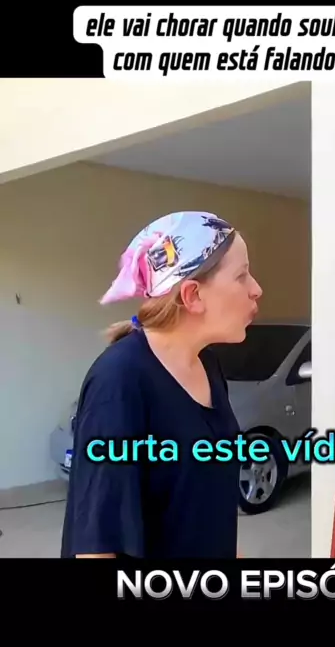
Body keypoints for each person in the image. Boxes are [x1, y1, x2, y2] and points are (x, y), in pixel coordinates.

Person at [60, 211, 262, 559]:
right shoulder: (120, 381)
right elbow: (96, 548)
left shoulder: (207, 365)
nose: (256, 289)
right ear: (192, 295)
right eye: (241, 276)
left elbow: (203, 509)